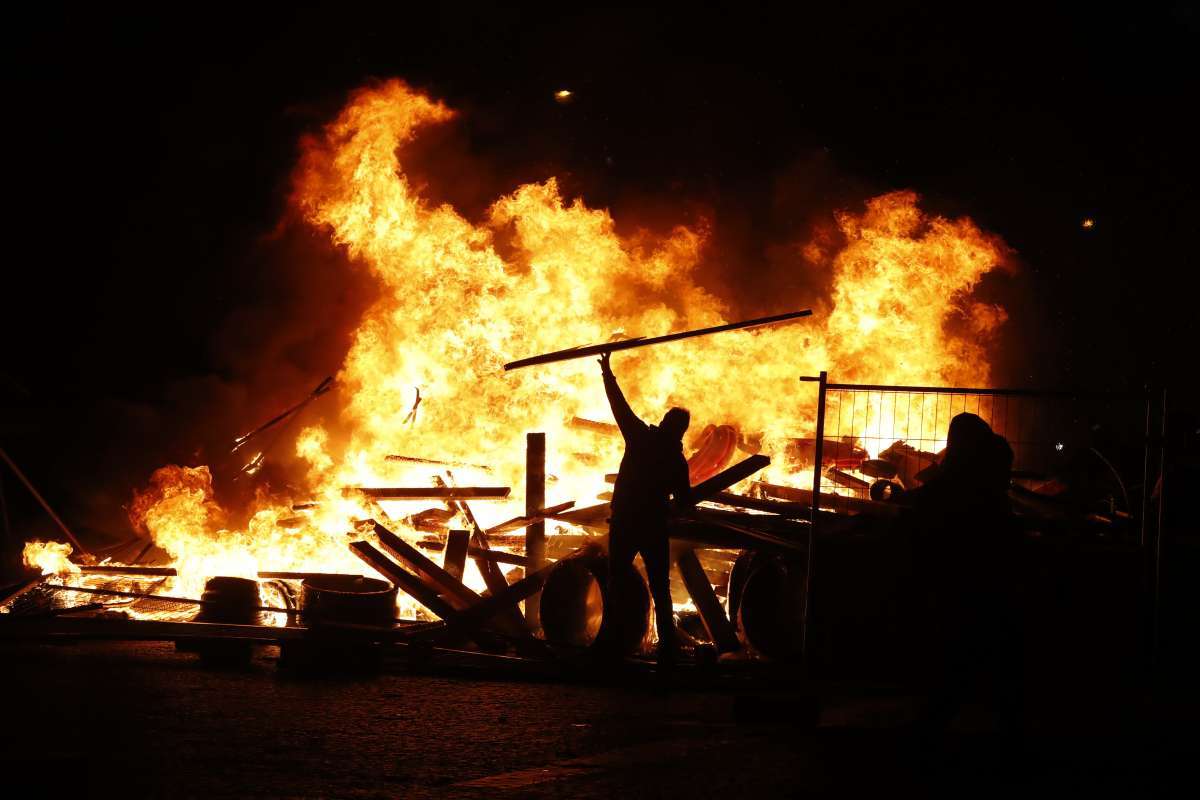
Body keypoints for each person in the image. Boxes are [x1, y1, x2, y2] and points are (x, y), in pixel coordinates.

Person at [900, 412, 1022, 741]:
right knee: (985, 659)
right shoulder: (988, 467)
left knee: (957, 660)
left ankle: (929, 737)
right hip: (982, 579)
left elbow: (934, 498)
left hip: (960, 581)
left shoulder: (965, 474)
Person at [596, 351, 693, 666]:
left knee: (616, 580)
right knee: (660, 587)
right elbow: (684, 504)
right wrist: (674, 510)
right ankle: (668, 647)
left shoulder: (640, 438)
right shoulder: (677, 461)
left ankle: (610, 641)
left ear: (667, 424)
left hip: (625, 523)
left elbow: (619, 407)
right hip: (653, 527)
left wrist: (607, 374)